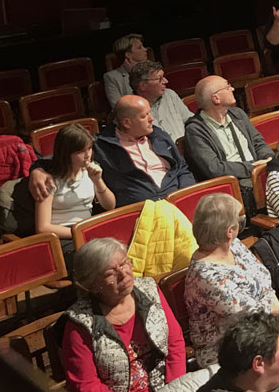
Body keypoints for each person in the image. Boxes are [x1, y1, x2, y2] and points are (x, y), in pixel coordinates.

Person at [61, 238, 187, 392]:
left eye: (124, 263)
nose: (124, 273)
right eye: (111, 272)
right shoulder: (80, 324)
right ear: (94, 285)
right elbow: (86, 386)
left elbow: (174, 342)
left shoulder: (149, 290)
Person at [30, 95, 194, 208]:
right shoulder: (100, 145)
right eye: (145, 116)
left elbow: (181, 168)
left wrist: (187, 195)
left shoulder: (159, 135)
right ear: (127, 123)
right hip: (140, 213)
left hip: (177, 202)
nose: (152, 118)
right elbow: (61, 156)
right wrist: (36, 170)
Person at [186, 193, 279, 368]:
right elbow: (248, 313)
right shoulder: (206, 276)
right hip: (230, 349)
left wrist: (277, 307)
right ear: (229, 231)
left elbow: (263, 278)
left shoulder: (234, 245)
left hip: (264, 327)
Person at [183, 75, 274, 209]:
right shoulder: (196, 130)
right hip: (234, 184)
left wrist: (268, 159)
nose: (232, 88)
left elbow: (258, 142)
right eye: (227, 87)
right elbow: (214, 169)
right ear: (216, 98)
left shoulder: (238, 114)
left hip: (258, 172)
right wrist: (253, 167)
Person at [33, 123, 115, 264]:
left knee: (118, 253)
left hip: (87, 232)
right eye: (81, 151)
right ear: (67, 153)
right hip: (62, 237)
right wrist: (78, 233)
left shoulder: (90, 170)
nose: (88, 155)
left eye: (89, 148)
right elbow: (42, 227)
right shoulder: (50, 180)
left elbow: (110, 205)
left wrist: (98, 181)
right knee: (97, 262)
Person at [129, 59, 191, 141]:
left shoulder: (170, 94)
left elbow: (190, 120)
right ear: (143, 85)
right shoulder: (129, 108)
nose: (166, 81)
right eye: (159, 79)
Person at [103, 33, 148, 109]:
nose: (145, 49)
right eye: (140, 47)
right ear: (128, 55)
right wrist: (133, 75)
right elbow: (118, 107)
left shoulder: (152, 70)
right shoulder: (111, 77)